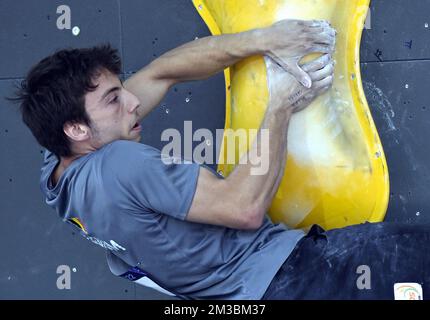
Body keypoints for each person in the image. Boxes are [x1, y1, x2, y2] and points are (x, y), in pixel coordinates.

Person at [10, 19, 429, 300]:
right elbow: (242, 208)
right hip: (290, 280)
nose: (133, 102)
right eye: (114, 99)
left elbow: (161, 72)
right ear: (76, 128)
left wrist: (262, 40)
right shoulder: (118, 163)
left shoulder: (58, 172)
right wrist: (281, 104)